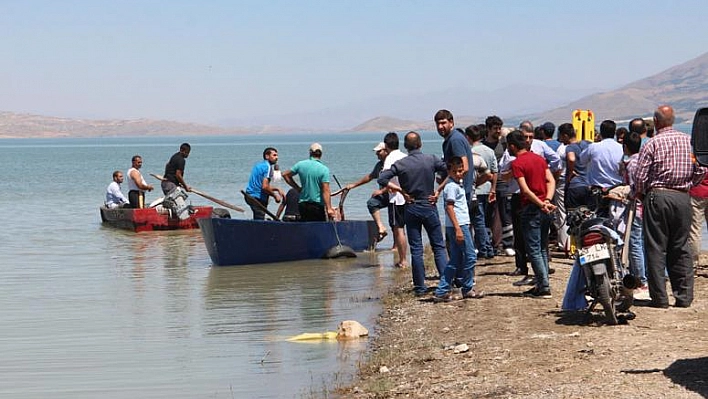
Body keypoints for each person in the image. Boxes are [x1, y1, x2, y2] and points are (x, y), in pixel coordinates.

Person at [633, 105, 706, 308]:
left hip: (658, 196)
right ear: (673, 120)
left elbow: (640, 176)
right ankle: (684, 297)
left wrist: (640, 193)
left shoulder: (652, 143)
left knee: (656, 248)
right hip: (683, 197)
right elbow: (700, 168)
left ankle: (660, 298)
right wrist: (690, 184)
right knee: (680, 247)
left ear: (656, 122)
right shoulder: (687, 141)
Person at [378, 132, 447, 296]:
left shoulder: (401, 164)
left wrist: (400, 190)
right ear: (420, 144)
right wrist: (439, 190)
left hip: (411, 206)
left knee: (416, 249)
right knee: (438, 246)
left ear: (406, 147)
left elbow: (382, 179)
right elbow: (450, 170)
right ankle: (445, 282)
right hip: (429, 204)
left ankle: (420, 287)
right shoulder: (431, 159)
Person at [507, 130, 556, 298]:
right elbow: (551, 180)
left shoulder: (517, 163)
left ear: (512, 146)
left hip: (531, 208)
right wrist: (547, 200)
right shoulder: (539, 159)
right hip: (545, 207)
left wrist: (541, 203)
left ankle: (543, 286)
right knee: (542, 247)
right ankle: (543, 283)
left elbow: (525, 190)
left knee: (533, 249)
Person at [433, 157, 483, 302]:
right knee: (470, 256)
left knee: (455, 259)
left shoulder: (457, 185)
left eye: (460, 171)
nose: (459, 174)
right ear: (449, 172)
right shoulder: (451, 187)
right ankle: (467, 287)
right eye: (455, 172)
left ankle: (442, 290)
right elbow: (449, 207)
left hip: (460, 224)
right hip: (458, 225)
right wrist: (458, 229)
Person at [344, 142, 389, 241]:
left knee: (395, 222)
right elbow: (370, 177)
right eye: (376, 152)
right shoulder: (379, 165)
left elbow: (398, 182)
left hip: (395, 195)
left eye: (379, 151)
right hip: (384, 196)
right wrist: (353, 185)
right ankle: (381, 227)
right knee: (372, 203)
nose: (377, 154)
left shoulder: (392, 163)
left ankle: (395, 247)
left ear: (386, 151)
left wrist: (382, 191)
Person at [620, 132, 647, 296]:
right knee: (644, 242)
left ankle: (640, 279)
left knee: (635, 243)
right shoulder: (643, 161)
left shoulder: (630, 164)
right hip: (645, 207)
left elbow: (632, 187)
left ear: (626, 147)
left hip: (635, 207)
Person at [483, 115, 513, 256]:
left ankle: (508, 244)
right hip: (486, 184)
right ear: (488, 129)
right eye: (495, 128)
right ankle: (489, 245)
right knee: (488, 215)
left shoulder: (504, 145)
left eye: (499, 128)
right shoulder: (483, 146)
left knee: (505, 213)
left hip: (502, 184)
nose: (498, 131)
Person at [579, 120, 623, 216]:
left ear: (600, 132)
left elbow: (582, 161)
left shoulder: (593, 147)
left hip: (597, 192)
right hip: (618, 191)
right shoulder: (622, 148)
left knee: (595, 222)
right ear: (614, 133)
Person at [282, 143, 335, 222]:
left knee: (305, 227)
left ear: (310, 152)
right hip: (317, 205)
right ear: (321, 154)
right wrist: (329, 208)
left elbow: (285, 175)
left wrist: (297, 188)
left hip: (303, 204)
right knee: (318, 228)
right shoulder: (324, 169)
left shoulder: (300, 164)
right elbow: (325, 190)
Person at [466, 124, 497, 259]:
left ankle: (482, 248)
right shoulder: (489, 151)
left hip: (476, 191)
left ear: (468, 137)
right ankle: (486, 247)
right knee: (483, 221)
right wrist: (493, 189)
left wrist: (476, 183)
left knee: (476, 222)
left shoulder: (469, 152)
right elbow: (494, 172)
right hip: (487, 190)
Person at [381, 132, 410, 269]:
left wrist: (393, 188)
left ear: (386, 146)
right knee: (408, 229)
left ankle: (403, 259)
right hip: (409, 197)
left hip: (396, 198)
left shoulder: (389, 159)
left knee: (398, 229)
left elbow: (385, 179)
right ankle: (409, 257)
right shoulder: (405, 156)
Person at [245, 147, 285, 220]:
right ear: (267, 156)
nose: (277, 158)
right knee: (259, 220)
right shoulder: (268, 167)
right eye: (274, 155)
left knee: (257, 219)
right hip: (257, 198)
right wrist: (275, 195)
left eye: (277, 155)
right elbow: (265, 187)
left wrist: (277, 189)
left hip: (249, 195)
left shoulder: (258, 165)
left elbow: (260, 185)